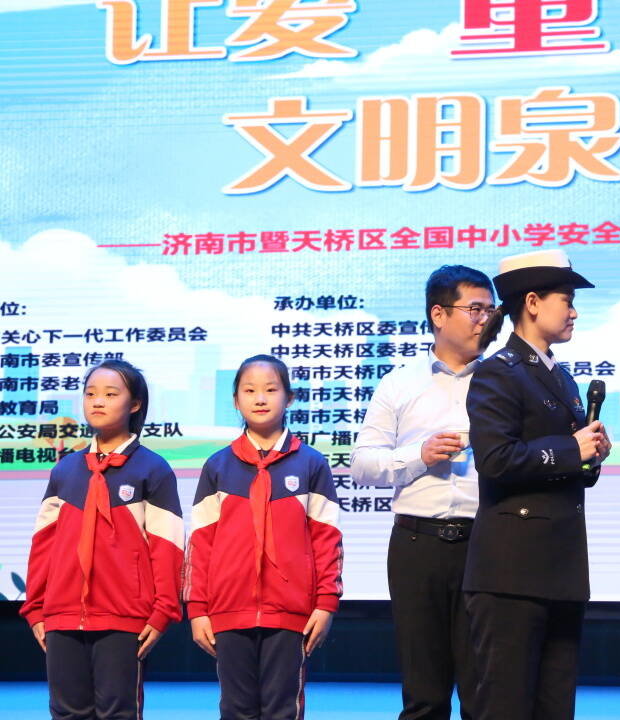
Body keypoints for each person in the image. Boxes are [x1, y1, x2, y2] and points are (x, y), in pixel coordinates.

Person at [463, 249, 611, 720]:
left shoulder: (561, 377)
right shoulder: (498, 372)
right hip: (511, 574)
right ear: (532, 302)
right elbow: (495, 459)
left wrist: (590, 455)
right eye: (566, 300)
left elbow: (566, 465)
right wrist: (571, 449)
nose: (573, 312)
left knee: (556, 706)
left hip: (562, 567)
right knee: (505, 706)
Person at [351, 265, 496, 720]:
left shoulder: (503, 379)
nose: (485, 320)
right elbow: (363, 465)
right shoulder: (399, 382)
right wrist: (420, 454)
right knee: (424, 694)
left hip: (488, 545)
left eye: (491, 311)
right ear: (438, 314)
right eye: (475, 309)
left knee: (485, 693)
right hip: (417, 545)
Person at [21, 359, 184, 720]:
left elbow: (168, 547)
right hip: (62, 615)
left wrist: (162, 611)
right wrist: (35, 607)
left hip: (124, 617)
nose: (97, 401)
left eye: (111, 394)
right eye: (90, 393)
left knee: (118, 712)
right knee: (66, 712)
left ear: (135, 404)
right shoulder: (65, 469)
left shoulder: (153, 470)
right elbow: (43, 544)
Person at [184, 354, 343, 720]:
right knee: (235, 709)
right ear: (235, 400)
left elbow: (327, 539)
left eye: (271, 390)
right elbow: (201, 544)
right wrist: (197, 609)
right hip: (228, 609)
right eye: (249, 390)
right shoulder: (217, 466)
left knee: (282, 709)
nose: (260, 398)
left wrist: (325, 603)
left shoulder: (311, 463)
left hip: (291, 611)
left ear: (289, 398)